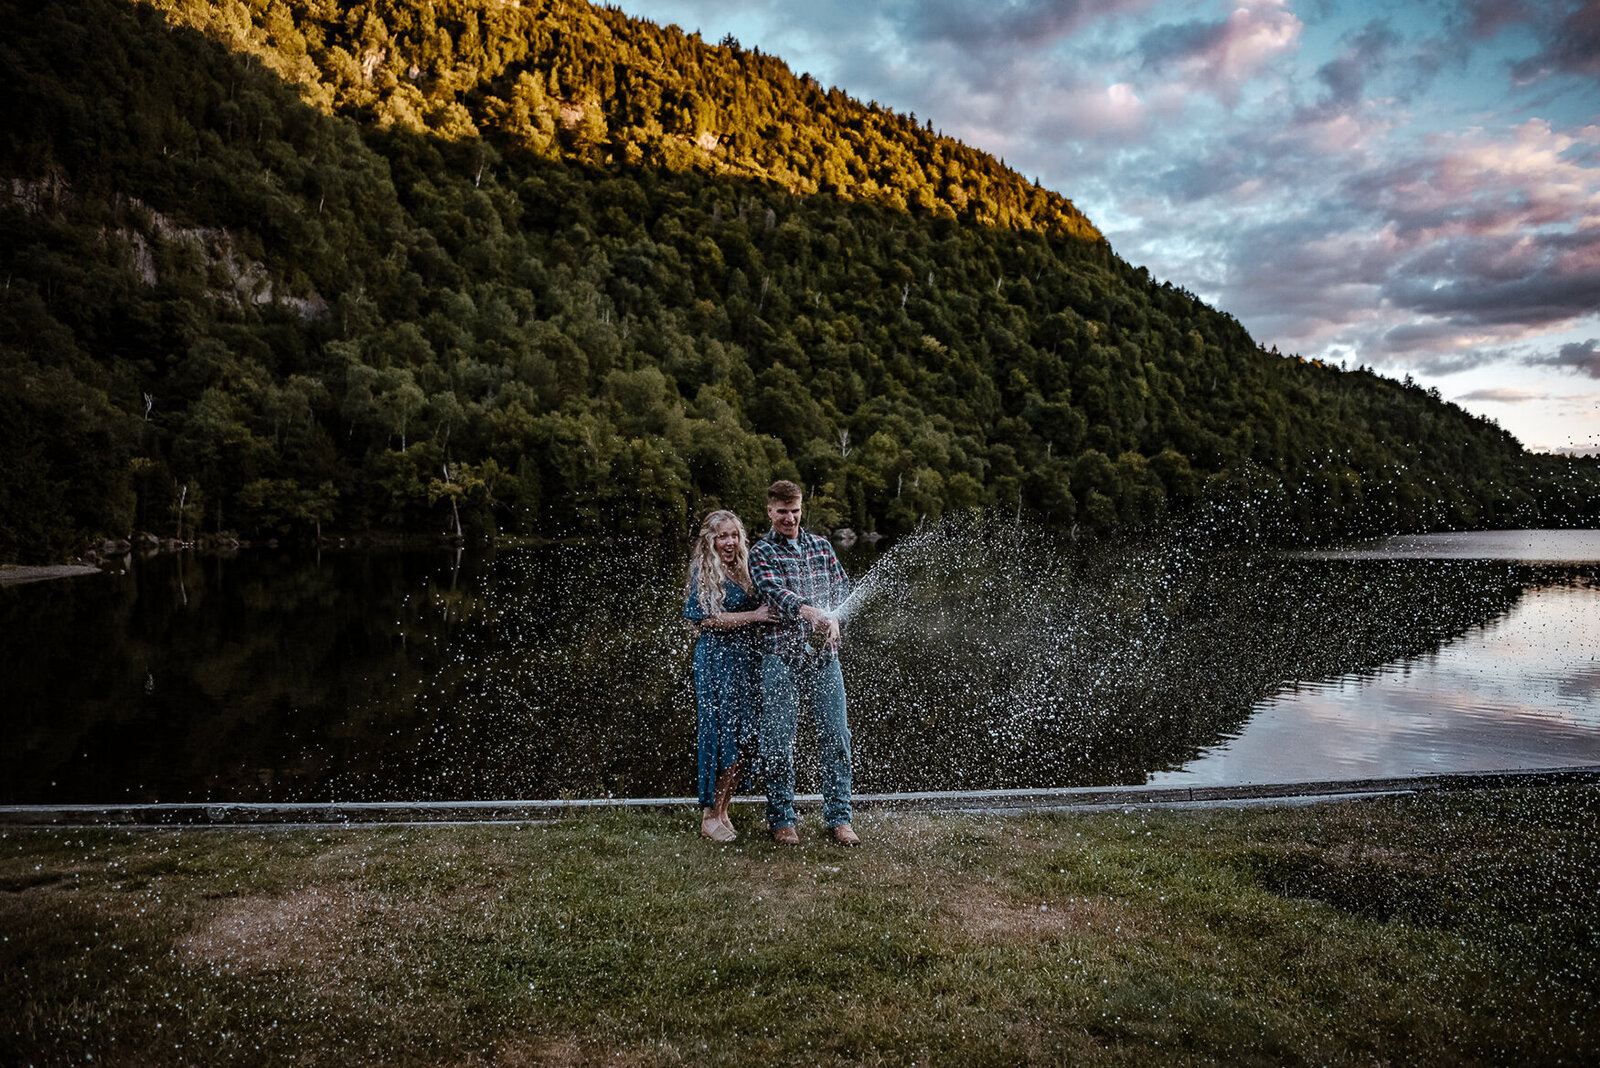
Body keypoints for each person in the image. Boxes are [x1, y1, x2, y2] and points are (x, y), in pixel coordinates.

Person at [747, 480, 859, 846]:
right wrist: (808, 611)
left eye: (794, 511)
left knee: (837, 735)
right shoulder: (761, 552)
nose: (789, 518)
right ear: (770, 511)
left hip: (825, 659)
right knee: (778, 740)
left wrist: (837, 618)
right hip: (780, 658)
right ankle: (782, 819)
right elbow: (773, 591)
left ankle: (839, 818)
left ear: (801, 509)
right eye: (782, 512)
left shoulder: (821, 546)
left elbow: (842, 588)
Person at [684, 509, 773, 841]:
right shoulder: (704, 570)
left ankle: (723, 810)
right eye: (723, 536)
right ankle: (709, 817)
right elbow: (707, 619)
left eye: (734, 535)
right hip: (717, 662)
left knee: (744, 736)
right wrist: (755, 616)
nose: (730, 542)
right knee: (722, 737)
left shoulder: (744, 567)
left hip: (746, 661)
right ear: (711, 539)